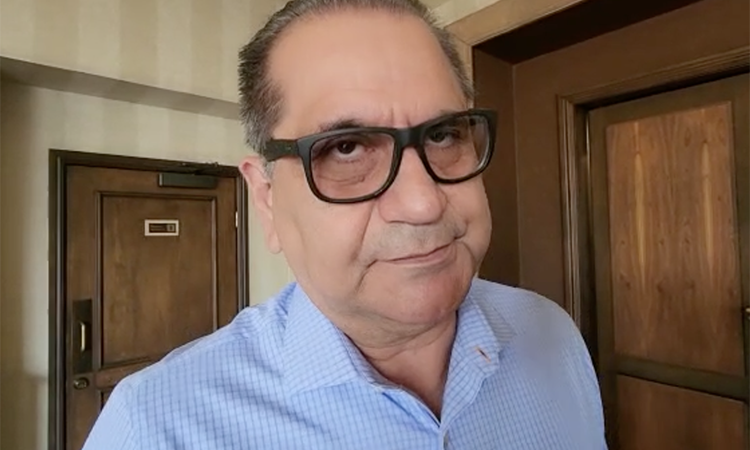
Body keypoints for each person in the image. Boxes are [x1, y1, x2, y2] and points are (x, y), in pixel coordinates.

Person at [82, 0, 607, 448]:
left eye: (443, 135)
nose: (422, 203)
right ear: (266, 200)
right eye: (346, 148)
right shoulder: (155, 427)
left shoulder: (552, 334)